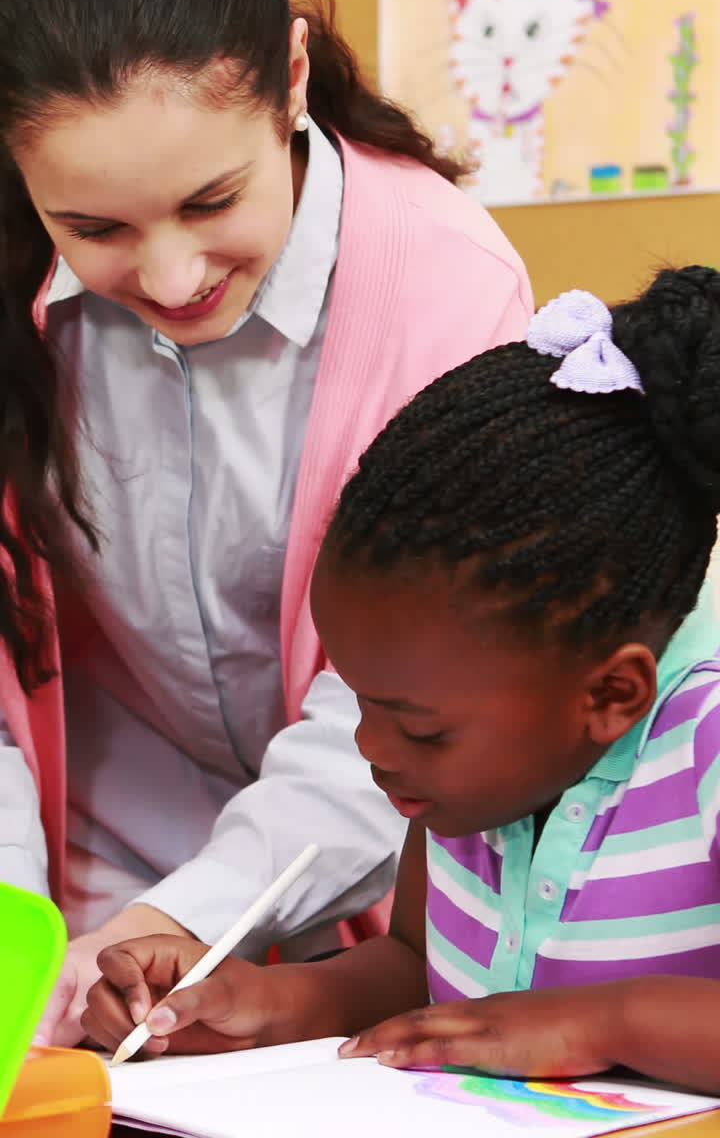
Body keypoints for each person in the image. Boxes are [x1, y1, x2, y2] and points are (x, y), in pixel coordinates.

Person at [0, 0, 540, 1048]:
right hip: (81, 894)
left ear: (291, 78)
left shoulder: (447, 286)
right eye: (93, 228)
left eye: (211, 200)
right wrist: (16, 930)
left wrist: (186, 916)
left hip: (361, 914)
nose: (173, 278)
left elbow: (412, 688)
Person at [85, 266, 720, 1095]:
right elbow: (418, 972)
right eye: (360, 701)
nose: (372, 748)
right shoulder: (467, 785)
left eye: (419, 727)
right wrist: (263, 1001)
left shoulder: (703, 741)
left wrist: (607, 1021)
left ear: (611, 696)